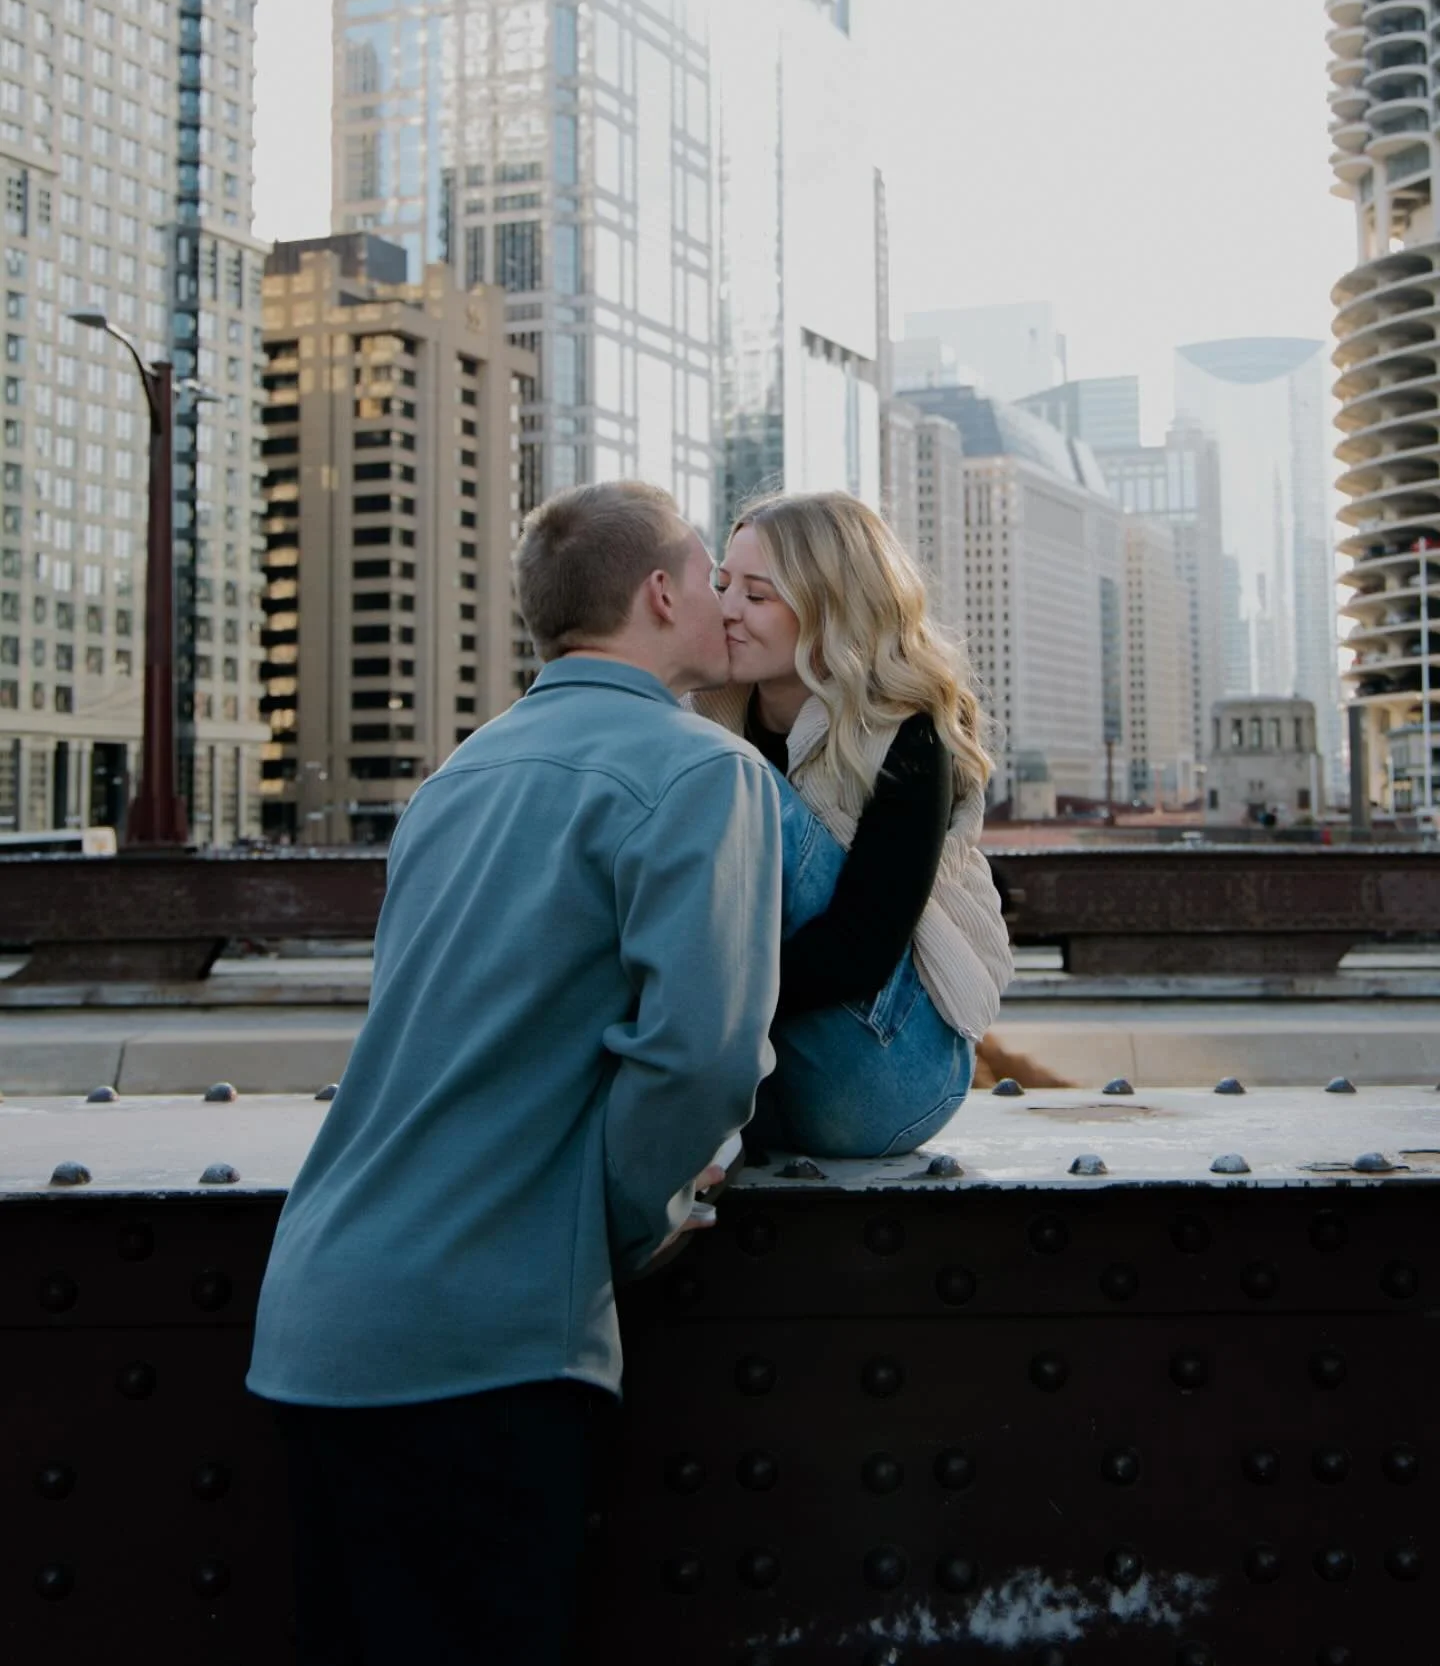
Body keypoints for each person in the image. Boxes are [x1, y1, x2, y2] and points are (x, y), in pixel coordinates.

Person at [246, 481, 783, 1666]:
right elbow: (701, 1056)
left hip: (318, 1317)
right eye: (710, 579)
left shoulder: (455, 779)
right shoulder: (704, 773)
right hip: (482, 1347)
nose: (725, 605)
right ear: (658, 593)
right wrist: (615, 1228)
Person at [696, 489, 1014, 1158]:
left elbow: (858, 950)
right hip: (766, 1085)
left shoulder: (905, 735)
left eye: (757, 595)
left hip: (891, 1074)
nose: (726, 610)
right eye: (722, 584)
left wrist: (686, 1005)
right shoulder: (707, 711)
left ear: (829, 606)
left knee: (728, 777)